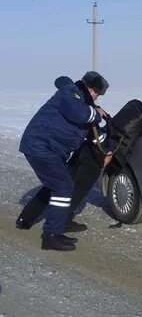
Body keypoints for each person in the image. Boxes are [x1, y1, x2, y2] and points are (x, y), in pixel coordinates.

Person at [17, 71, 110, 251]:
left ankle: (25, 220)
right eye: (97, 93)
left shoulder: (81, 101)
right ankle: (51, 235)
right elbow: (80, 114)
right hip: (40, 146)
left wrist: (108, 148)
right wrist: (96, 113)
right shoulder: (70, 93)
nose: (97, 97)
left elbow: (93, 133)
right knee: (63, 185)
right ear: (90, 89)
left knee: (56, 182)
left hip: (50, 150)